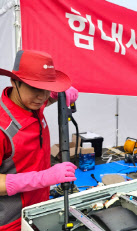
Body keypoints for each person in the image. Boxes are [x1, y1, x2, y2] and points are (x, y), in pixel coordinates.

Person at [0, 50, 79, 230]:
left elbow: (41, 101)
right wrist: (43, 177)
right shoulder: (2, 127)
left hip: (39, 208)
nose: (41, 96)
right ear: (14, 82)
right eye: (35, 88)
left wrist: (56, 96)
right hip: (11, 221)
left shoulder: (30, 104)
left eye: (47, 88)